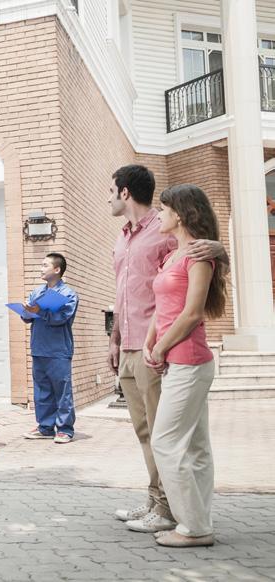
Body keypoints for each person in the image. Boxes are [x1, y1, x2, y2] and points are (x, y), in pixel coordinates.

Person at [107, 164, 225, 534]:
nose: (108, 198)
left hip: (162, 348)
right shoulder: (122, 239)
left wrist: (221, 249)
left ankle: (169, 509)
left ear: (125, 192)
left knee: (165, 436)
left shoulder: (164, 232)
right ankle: (155, 500)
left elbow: (196, 258)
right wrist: (114, 338)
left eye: (111, 191)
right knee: (146, 432)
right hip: (131, 344)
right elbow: (123, 292)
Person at [144, 184, 228, 548]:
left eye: (163, 210)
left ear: (179, 214)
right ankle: (199, 523)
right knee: (195, 447)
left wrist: (161, 348)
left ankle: (193, 528)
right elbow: (164, 305)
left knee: (165, 442)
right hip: (175, 361)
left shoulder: (199, 256)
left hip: (189, 361)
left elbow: (192, 314)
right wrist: (151, 340)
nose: (159, 216)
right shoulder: (172, 256)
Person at [20, 253, 79, 444]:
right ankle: (45, 427)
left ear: (57, 269)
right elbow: (27, 318)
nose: (41, 268)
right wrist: (26, 311)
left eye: (45, 265)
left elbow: (61, 318)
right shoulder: (37, 292)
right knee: (42, 391)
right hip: (39, 348)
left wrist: (40, 312)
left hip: (58, 350)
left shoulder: (68, 294)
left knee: (62, 392)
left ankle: (65, 429)